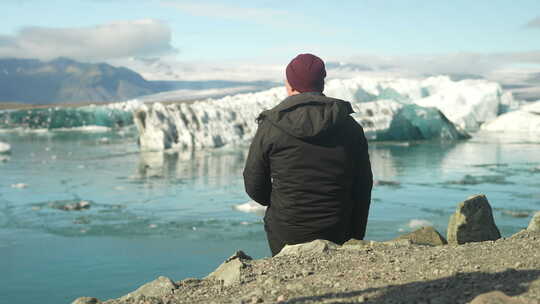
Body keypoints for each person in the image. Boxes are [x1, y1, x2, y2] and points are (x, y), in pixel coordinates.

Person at [243, 53, 373, 256]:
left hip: (286, 231)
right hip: (338, 228)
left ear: (290, 85)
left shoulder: (271, 126)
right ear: (321, 84)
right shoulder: (349, 126)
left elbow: (253, 183)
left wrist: (282, 202)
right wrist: (356, 234)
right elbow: (363, 186)